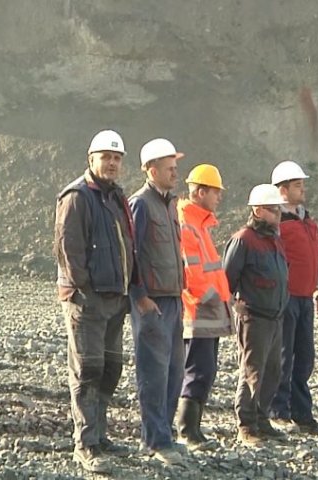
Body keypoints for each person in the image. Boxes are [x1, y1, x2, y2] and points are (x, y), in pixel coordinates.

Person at [54, 129, 137, 474]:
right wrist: (84, 290)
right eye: (106, 157)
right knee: (88, 371)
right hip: (88, 300)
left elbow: (127, 245)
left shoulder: (116, 196)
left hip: (116, 298)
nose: (112, 163)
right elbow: (68, 248)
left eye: (117, 158)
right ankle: (85, 444)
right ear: (91, 159)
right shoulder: (77, 196)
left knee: (110, 369)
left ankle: (100, 435)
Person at [128, 138, 185, 466]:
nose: (175, 173)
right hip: (152, 302)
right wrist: (140, 296)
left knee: (174, 373)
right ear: (151, 169)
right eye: (169, 167)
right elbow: (132, 252)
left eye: (175, 167)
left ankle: (166, 435)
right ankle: (155, 440)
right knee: (154, 373)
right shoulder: (141, 204)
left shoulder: (169, 204)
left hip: (173, 300)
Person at [223, 184, 289, 448]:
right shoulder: (243, 239)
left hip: (275, 317)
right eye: (274, 210)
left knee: (272, 371)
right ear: (259, 211)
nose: (279, 215)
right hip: (254, 318)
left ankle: (262, 419)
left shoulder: (274, 240)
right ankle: (246, 425)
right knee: (252, 371)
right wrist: (234, 304)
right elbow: (226, 279)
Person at [176, 164, 233, 449]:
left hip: (208, 308)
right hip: (198, 310)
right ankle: (187, 430)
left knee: (205, 371)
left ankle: (193, 428)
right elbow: (191, 271)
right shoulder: (187, 223)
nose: (219, 197)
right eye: (215, 192)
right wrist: (209, 295)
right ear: (200, 192)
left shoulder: (199, 223)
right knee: (198, 370)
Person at [269, 160, 318, 434]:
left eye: (302, 184)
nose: (302, 189)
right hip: (286, 298)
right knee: (284, 355)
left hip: (305, 298)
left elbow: (312, 259)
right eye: (297, 185)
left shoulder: (307, 221)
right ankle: (278, 411)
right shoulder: (276, 222)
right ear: (282, 189)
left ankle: (302, 413)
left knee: (304, 357)